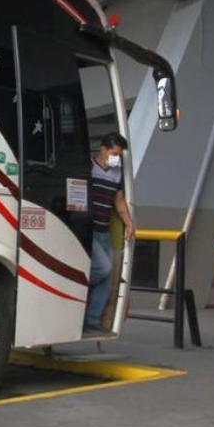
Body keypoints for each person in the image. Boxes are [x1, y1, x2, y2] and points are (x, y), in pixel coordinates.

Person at [84, 132, 136, 335]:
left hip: (104, 229)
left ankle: (92, 319)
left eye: (119, 154)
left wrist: (129, 223)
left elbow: (119, 200)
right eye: (114, 153)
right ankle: (76, 287)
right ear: (103, 149)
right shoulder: (88, 168)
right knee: (104, 268)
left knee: (107, 277)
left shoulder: (116, 173)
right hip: (88, 229)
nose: (116, 157)